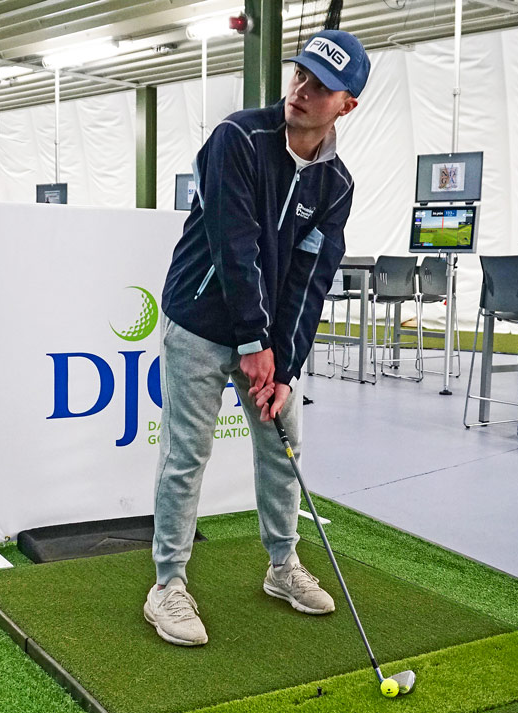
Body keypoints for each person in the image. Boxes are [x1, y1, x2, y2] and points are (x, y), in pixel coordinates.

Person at [144, 30, 369, 647]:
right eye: (301, 75)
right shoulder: (237, 138)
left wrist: (285, 369)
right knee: (186, 453)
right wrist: (252, 344)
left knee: (282, 445)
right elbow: (234, 243)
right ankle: (167, 584)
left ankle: (282, 565)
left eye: (322, 87)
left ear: (346, 105)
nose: (302, 91)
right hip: (199, 321)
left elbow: (308, 280)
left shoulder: (336, 186)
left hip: (266, 340)